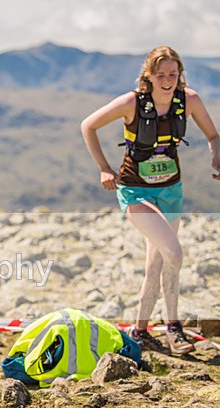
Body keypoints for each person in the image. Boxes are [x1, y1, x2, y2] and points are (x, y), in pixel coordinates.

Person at [81, 46, 220, 356]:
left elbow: (214, 136)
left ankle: (140, 331)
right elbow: (88, 125)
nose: (168, 81)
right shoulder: (131, 102)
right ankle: (174, 329)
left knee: (155, 263)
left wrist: (217, 157)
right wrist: (104, 168)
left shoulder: (190, 100)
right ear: (149, 76)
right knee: (174, 253)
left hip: (171, 189)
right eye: (161, 75)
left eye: (173, 75)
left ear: (179, 74)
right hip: (135, 190)